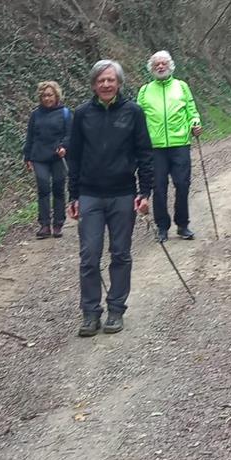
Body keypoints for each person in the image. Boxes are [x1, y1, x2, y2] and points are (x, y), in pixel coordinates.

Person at [67, 60, 153, 337]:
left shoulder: (133, 112)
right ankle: (90, 313)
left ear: (119, 83)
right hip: (90, 194)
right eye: (101, 80)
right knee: (89, 256)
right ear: (94, 84)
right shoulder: (82, 114)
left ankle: (116, 309)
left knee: (120, 254)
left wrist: (145, 192)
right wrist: (73, 195)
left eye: (111, 80)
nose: (106, 85)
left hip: (123, 194)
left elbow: (144, 153)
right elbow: (74, 156)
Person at [136, 50, 202, 243]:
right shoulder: (145, 90)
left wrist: (195, 124)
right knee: (158, 187)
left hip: (180, 143)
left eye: (163, 63)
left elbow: (192, 111)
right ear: (151, 68)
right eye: (156, 64)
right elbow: (137, 117)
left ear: (170, 66)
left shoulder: (181, 86)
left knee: (182, 184)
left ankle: (182, 225)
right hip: (154, 147)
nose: (160, 66)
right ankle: (162, 227)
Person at [23, 81, 71, 239]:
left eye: (50, 95)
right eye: (44, 95)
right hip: (39, 156)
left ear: (56, 96)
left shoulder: (65, 113)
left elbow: (70, 134)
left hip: (58, 156)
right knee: (43, 188)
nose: (47, 98)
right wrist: (27, 156)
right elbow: (30, 136)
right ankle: (44, 225)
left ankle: (58, 223)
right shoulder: (36, 114)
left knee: (58, 188)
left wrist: (64, 146)